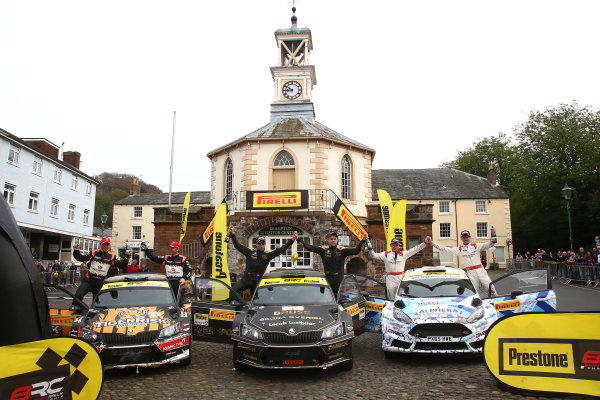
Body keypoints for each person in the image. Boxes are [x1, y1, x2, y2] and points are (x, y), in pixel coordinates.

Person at [427, 227, 496, 298]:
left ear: (470, 237)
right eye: (464, 237)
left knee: (491, 288)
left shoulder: (476, 246)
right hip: (471, 273)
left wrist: (493, 234)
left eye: (467, 237)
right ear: (461, 238)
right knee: (473, 292)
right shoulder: (459, 249)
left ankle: (497, 303)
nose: (465, 239)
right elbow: (444, 249)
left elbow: (490, 244)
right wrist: (432, 243)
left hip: (481, 270)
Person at [229, 226, 297, 296]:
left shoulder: (268, 254)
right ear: (256, 244)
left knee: (256, 300)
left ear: (265, 244)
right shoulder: (250, 252)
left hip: (257, 281)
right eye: (260, 243)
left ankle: (252, 305)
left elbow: (281, 250)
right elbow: (238, 246)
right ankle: (241, 305)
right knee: (232, 292)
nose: (261, 245)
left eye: (263, 243)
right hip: (246, 279)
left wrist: (292, 240)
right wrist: (232, 234)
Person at [296, 231, 366, 297]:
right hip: (328, 278)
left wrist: (363, 240)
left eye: (335, 239)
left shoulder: (342, 250)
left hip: (339, 278)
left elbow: (356, 251)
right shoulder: (323, 250)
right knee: (327, 297)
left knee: (338, 298)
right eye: (331, 239)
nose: (333, 240)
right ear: (328, 240)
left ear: (337, 240)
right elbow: (309, 247)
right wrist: (298, 239)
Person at [71, 237, 130, 310]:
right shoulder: (94, 252)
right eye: (104, 244)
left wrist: (127, 258)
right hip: (89, 281)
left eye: (107, 244)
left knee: (98, 304)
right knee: (78, 296)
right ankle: (74, 310)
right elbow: (81, 258)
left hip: (100, 283)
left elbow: (121, 265)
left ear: (109, 245)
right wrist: (76, 250)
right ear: (100, 244)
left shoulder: (111, 256)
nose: (105, 246)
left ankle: (96, 314)